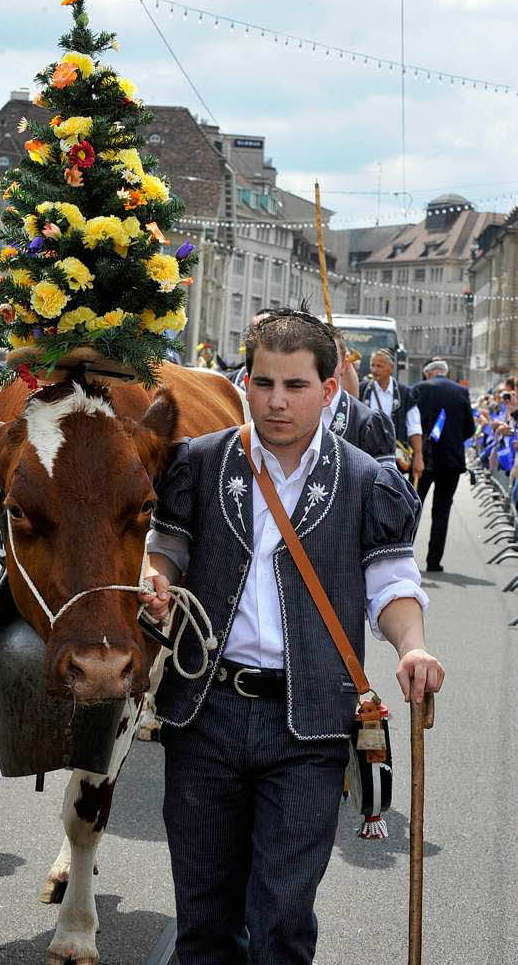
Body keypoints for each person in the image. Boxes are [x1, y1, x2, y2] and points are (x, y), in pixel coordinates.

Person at [140, 311, 444, 965]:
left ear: (329, 389)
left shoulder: (365, 479)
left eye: (295, 385)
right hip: (205, 714)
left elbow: (390, 583)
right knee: (203, 917)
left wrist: (411, 645)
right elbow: (163, 547)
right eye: (263, 382)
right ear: (244, 382)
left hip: (307, 722)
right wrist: (154, 577)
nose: (276, 400)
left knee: (281, 916)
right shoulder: (197, 463)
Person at [413, 358, 475, 572]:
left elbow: (410, 424)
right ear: (445, 373)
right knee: (442, 510)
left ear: (428, 372)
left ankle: (403, 557)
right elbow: (470, 429)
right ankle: (433, 560)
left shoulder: (419, 388)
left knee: (413, 507)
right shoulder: (460, 391)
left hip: (423, 459)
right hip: (451, 460)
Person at [324, 326, 396, 463]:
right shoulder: (282, 410)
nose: (321, 368)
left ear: (344, 365)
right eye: (372, 365)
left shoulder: (368, 422)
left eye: (330, 359)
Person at [360, 349, 424, 482]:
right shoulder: (363, 389)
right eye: (372, 365)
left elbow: (414, 427)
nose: (374, 370)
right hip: (366, 456)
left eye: (379, 366)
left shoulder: (405, 393)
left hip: (395, 458)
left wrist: (418, 456)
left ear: (391, 368)